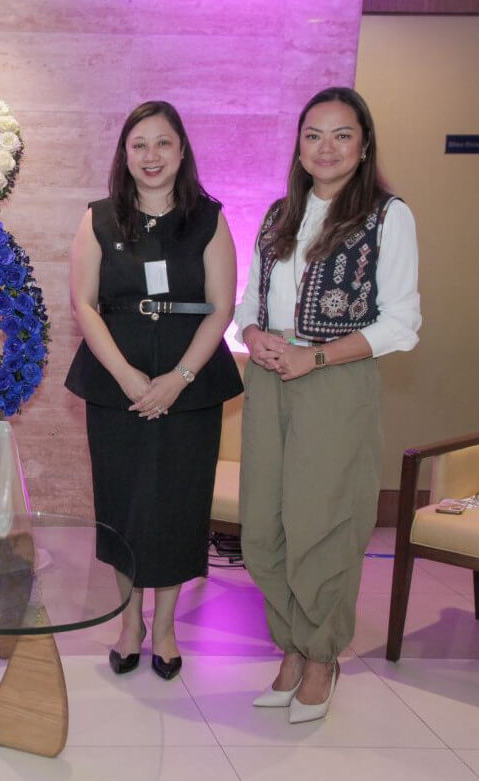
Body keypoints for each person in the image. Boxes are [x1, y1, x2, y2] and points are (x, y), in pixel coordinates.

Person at [235, 87, 421, 723]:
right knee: (264, 525)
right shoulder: (277, 215)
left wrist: (314, 356)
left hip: (334, 378)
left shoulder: (387, 216)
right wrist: (255, 336)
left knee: (324, 524)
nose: (327, 148)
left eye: (342, 135)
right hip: (269, 377)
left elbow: (401, 323)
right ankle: (288, 645)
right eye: (314, 134)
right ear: (298, 143)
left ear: (364, 144)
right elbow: (247, 307)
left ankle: (320, 658)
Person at [65, 101, 242, 680]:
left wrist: (180, 378)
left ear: (182, 151)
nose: (151, 156)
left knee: (177, 506)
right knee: (125, 504)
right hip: (119, 380)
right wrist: (125, 376)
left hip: (189, 385)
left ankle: (164, 625)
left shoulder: (210, 219)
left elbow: (222, 309)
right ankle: (129, 622)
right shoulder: (97, 219)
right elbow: (84, 307)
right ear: (124, 154)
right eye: (139, 144)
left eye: (163, 143)